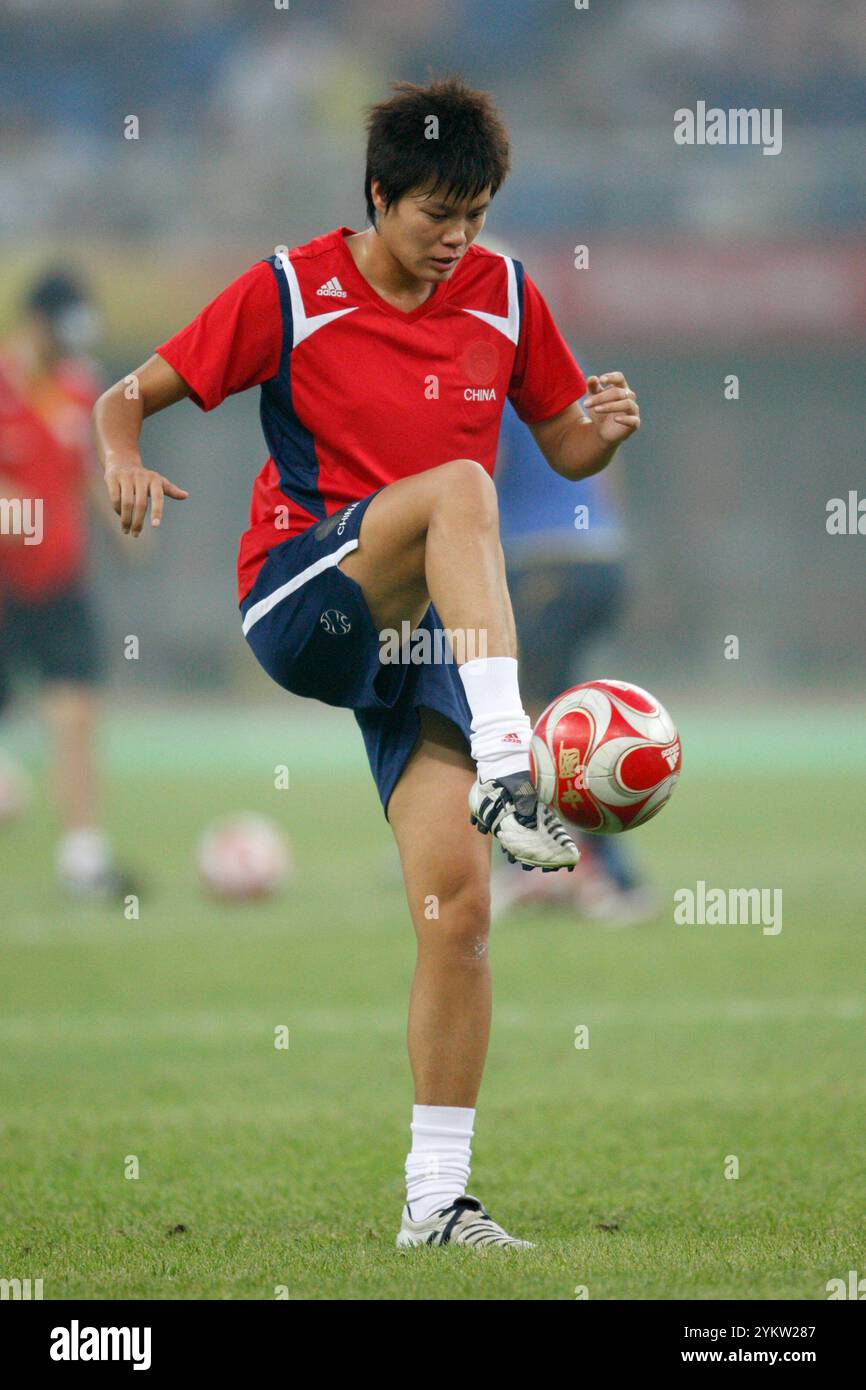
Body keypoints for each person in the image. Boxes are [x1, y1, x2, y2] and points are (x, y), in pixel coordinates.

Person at [92, 77, 641, 1249]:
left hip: (429, 635)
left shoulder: (502, 295)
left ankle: (435, 1204)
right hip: (306, 593)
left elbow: (560, 440)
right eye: (434, 214)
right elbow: (122, 399)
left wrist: (598, 427)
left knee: (456, 911)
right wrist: (123, 458)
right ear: (377, 194)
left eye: (477, 215)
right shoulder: (290, 289)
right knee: (462, 489)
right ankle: (512, 754)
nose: (456, 240)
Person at [493, 398, 658, 925]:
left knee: (525, 719)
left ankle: (590, 871)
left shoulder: (481, 358)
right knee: (560, 714)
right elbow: (608, 462)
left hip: (545, 558)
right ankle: (567, 865)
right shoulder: (563, 360)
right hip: (600, 558)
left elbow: (477, 468)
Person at [0, 271, 130, 898]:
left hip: (61, 585)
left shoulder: (80, 390)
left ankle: (83, 858)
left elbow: (85, 471)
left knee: (76, 713)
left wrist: (120, 517)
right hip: (4, 591)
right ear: (36, 324)